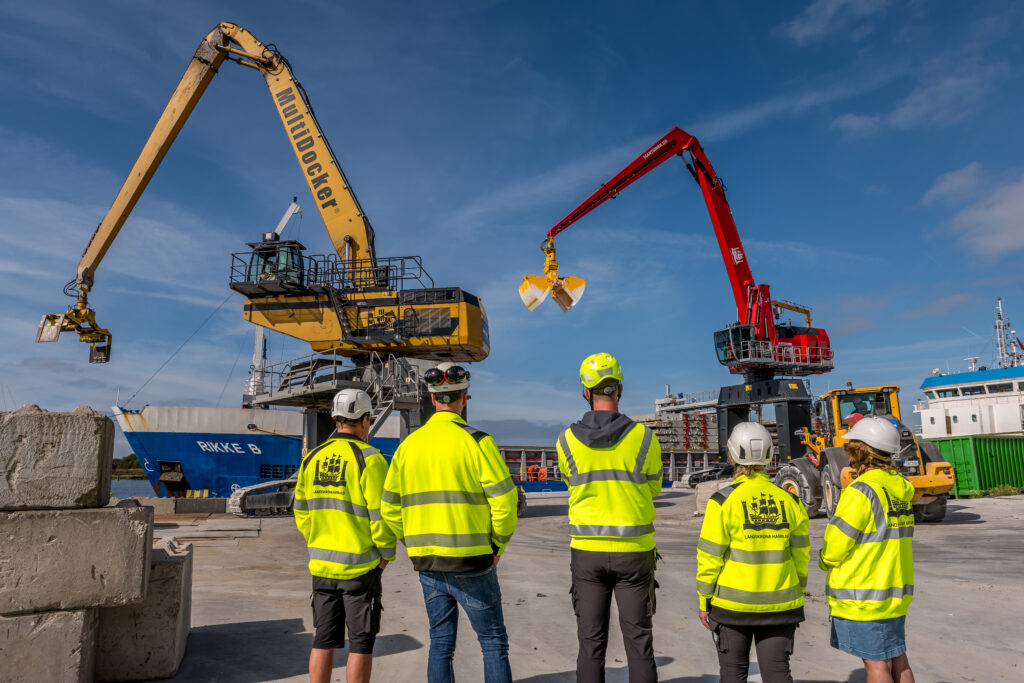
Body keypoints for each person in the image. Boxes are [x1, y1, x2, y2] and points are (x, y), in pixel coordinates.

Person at [380, 362, 518, 683]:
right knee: (493, 642)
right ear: (464, 398)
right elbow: (505, 502)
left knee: (441, 644)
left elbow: (389, 508)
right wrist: (497, 545)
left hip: (428, 562)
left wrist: (414, 542)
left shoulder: (407, 447)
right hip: (473, 561)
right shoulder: (478, 442)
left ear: (431, 398)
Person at [555, 352, 663, 683]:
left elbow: (571, 483)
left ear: (586, 392)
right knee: (639, 642)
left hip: (587, 553)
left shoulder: (566, 441)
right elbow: (654, 487)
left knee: (590, 643)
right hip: (634, 552)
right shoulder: (645, 438)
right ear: (620, 390)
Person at [293, 388, 396, 683]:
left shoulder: (312, 457)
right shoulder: (370, 459)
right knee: (361, 644)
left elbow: (301, 510)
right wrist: (386, 554)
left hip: (322, 567)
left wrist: (318, 541)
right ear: (365, 420)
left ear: (336, 419)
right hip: (360, 569)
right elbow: (381, 517)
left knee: (323, 639)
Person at [696, 421, 810, 683]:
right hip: (781, 604)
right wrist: (796, 589)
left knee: (733, 674)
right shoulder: (790, 501)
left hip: (732, 606)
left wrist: (704, 600)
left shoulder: (722, 501)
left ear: (732, 454)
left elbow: (710, 557)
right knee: (778, 672)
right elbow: (801, 554)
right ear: (769, 454)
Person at [819, 416, 916, 683]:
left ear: (860, 452)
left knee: (877, 665)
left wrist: (824, 559)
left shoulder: (860, 492)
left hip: (864, 596)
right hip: (894, 593)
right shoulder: (899, 490)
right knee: (899, 660)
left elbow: (835, 548)